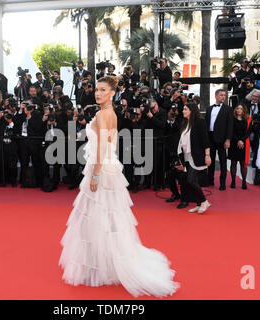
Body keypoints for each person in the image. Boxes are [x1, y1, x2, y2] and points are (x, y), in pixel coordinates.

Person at [59, 75, 180, 298]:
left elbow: (102, 148)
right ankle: (101, 261)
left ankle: (101, 263)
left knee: (98, 215)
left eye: (103, 90)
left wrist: (94, 174)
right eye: (96, 89)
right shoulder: (110, 114)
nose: (98, 93)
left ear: (112, 93)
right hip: (108, 168)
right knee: (106, 217)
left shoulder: (104, 115)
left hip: (101, 169)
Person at [176, 102, 211, 213]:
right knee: (190, 181)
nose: (183, 111)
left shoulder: (200, 122)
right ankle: (198, 203)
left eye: (185, 109)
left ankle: (204, 201)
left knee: (191, 181)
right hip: (187, 157)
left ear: (191, 111)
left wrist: (207, 155)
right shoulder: (185, 123)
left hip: (197, 157)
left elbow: (205, 141)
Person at [205, 89, 233, 190]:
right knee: (210, 160)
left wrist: (228, 139)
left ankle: (222, 183)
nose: (223, 97)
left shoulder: (228, 109)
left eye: (224, 95)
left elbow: (230, 126)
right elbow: (206, 124)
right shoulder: (209, 109)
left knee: (223, 162)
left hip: (222, 138)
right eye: (221, 95)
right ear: (216, 96)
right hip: (210, 137)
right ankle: (210, 180)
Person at [228, 104, 252, 189]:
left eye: (241, 109)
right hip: (234, 143)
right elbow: (231, 131)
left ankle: (244, 182)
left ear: (244, 110)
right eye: (237, 108)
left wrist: (242, 140)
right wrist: (237, 140)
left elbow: (248, 132)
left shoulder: (248, 119)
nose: (239, 110)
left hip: (243, 143)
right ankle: (233, 181)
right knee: (233, 163)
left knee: (243, 163)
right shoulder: (232, 119)